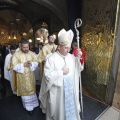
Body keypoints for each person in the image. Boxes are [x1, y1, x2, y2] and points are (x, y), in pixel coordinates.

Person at [39, 29, 84, 120]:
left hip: (70, 91)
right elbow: (47, 76)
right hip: (58, 92)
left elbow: (78, 68)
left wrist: (79, 58)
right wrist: (61, 72)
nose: (68, 50)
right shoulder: (51, 59)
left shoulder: (71, 57)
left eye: (69, 48)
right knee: (60, 113)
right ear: (59, 47)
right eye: (66, 48)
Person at [11, 39, 39, 115]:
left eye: (27, 47)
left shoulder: (31, 53)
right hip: (22, 78)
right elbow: (13, 66)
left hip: (30, 76)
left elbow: (36, 61)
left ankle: (34, 104)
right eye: (24, 47)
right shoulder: (16, 54)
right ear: (21, 47)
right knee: (25, 92)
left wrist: (32, 64)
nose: (26, 49)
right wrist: (23, 65)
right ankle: (28, 107)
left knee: (32, 90)